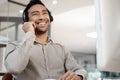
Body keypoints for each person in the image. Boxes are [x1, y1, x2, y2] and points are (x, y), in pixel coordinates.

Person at [4, 0, 87, 80]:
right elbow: (14, 68)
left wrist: (78, 76)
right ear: (27, 21)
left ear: (50, 19)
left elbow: (80, 70)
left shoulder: (62, 49)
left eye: (44, 13)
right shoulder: (14, 46)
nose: (41, 17)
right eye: (35, 14)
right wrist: (29, 33)